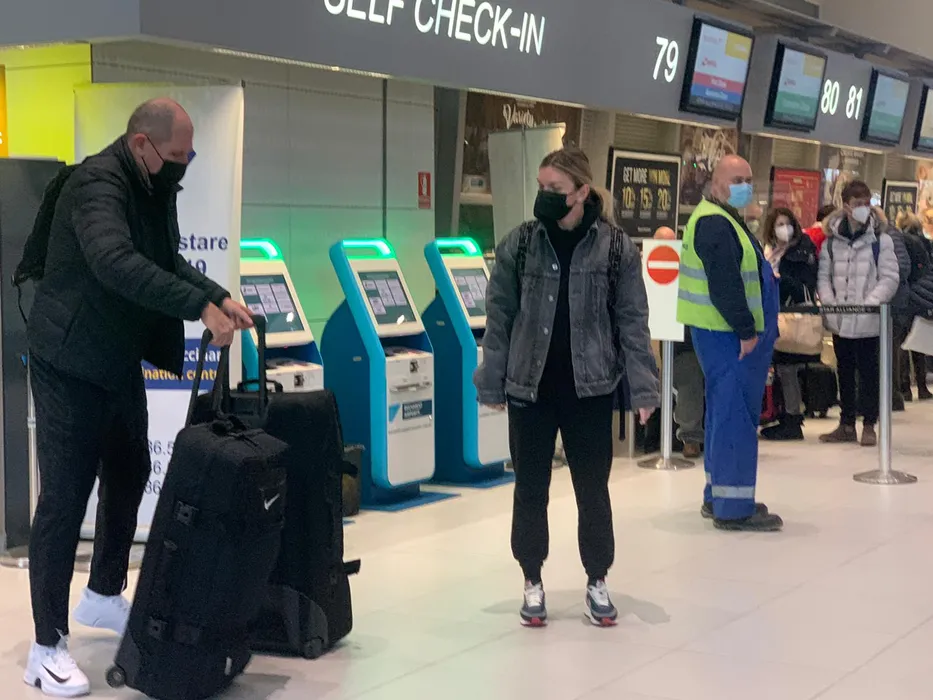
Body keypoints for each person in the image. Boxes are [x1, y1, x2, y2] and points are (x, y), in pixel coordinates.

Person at [24, 99, 253, 697]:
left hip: (114, 356)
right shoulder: (95, 184)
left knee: (130, 472)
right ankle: (45, 647)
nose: (184, 165)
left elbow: (164, 260)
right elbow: (115, 262)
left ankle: (103, 593)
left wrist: (217, 295)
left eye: (190, 155)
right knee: (65, 498)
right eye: (177, 155)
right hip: (68, 361)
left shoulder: (152, 185)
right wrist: (196, 306)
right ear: (141, 144)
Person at [475, 147, 660, 628]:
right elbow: (499, 318)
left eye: (554, 189)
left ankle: (597, 580)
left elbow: (633, 322)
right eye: (541, 188)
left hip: (590, 389)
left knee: (592, 490)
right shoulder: (520, 244)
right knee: (529, 489)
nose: (545, 196)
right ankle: (531, 580)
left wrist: (644, 389)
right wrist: (491, 381)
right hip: (529, 389)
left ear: (581, 191)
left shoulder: (615, 248)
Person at [676, 155, 783, 532]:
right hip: (728, 337)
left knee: (724, 415)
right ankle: (734, 508)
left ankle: (718, 495)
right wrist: (746, 331)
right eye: (737, 180)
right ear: (716, 183)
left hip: (722, 335)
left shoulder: (724, 218)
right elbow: (725, 285)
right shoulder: (715, 223)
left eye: (748, 179)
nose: (744, 186)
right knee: (735, 418)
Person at [818, 181, 900, 447]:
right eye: (857, 204)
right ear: (846, 206)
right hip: (840, 320)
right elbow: (824, 278)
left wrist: (870, 303)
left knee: (869, 373)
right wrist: (831, 305)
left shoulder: (881, 240)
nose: (863, 208)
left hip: (869, 320)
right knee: (844, 371)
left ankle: (869, 424)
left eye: (867, 203)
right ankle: (846, 423)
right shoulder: (832, 243)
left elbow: (889, 277)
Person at [760, 208, 819, 441]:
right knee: (781, 366)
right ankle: (784, 415)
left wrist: (780, 280)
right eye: (779, 224)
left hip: (792, 315)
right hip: (774, 314)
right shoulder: (770, 251)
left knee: (788, 366)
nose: (784, 228)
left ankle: (792, 419)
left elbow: (805, 285)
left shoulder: (802, 250)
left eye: (787, 223)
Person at [653, 226, 705, 458]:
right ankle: (690, 437)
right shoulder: (647, 268)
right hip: (673, 343)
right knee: (689, 377)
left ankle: (694, 436)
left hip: (691, 338)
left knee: (692, 376)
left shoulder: (691, 268)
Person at [895, 210, 933, 401]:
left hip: (906, 295)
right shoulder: (925, 242)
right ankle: (922, 385)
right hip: (923, 296)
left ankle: (904, 387)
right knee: (919, 341)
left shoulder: (900, 242)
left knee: (902, 342)